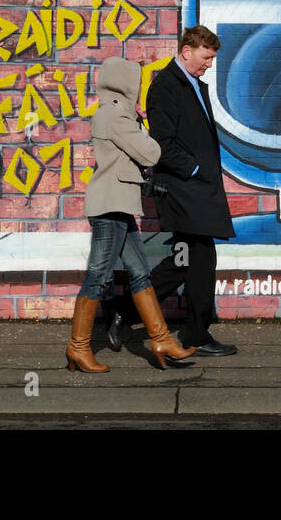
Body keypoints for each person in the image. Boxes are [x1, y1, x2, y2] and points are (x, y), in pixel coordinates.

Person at [102, 26, 237, 357]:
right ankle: (190, 332)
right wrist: (193, 169)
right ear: (187, 50)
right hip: (185, 187)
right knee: (193, 259)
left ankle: (134, 312)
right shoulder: (165, 85)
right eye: (206, 58)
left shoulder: (193, 85)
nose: (209, 65)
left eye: (212, 59)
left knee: (189, 259)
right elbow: (163, 141)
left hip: (197, 188)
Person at [66, 57, 196, 373]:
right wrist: (141, 128)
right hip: (109, 206)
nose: (140, 90)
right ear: (126, 84)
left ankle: (161, 340)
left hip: (119, 206)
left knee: (140, 273)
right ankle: (78, 347)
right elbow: (151, 153)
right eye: (137, 83)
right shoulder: (115, 115)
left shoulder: (115, 113)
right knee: (97, 275)